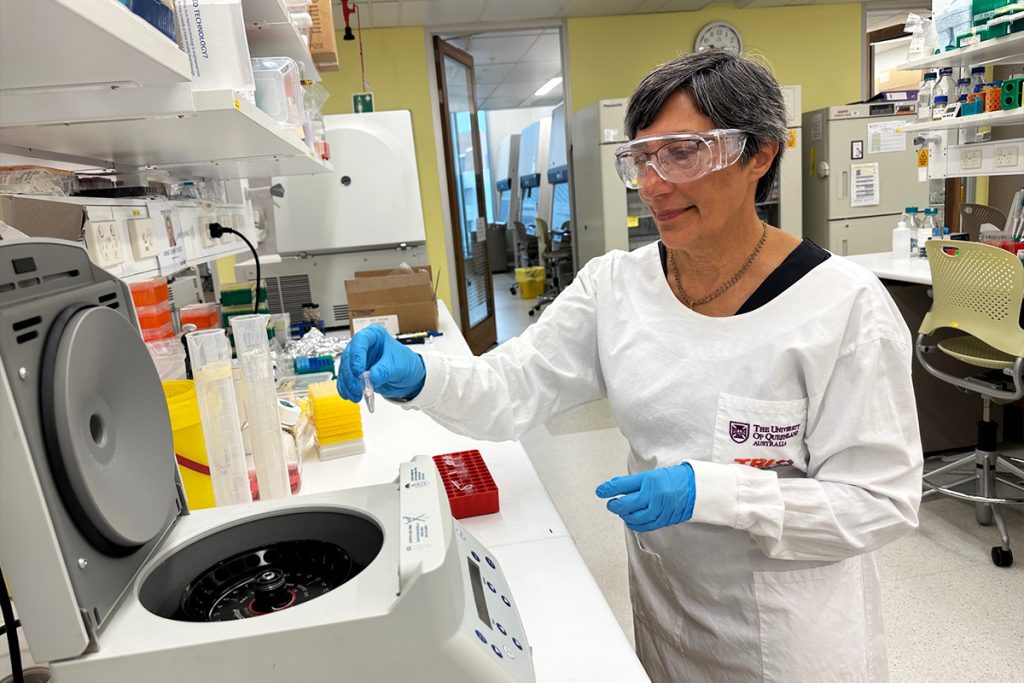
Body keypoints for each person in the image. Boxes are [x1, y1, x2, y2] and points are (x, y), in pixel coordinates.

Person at [337, 50, 923, 682]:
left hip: (789, 639)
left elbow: (879, 501)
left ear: (760, 153)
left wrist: (717, 493)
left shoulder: (842, 307)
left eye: (682, 153)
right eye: (642, 158)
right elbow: (512, 385)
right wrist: (423, 374)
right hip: (667, 613)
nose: (652, 184)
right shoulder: (616, 286)